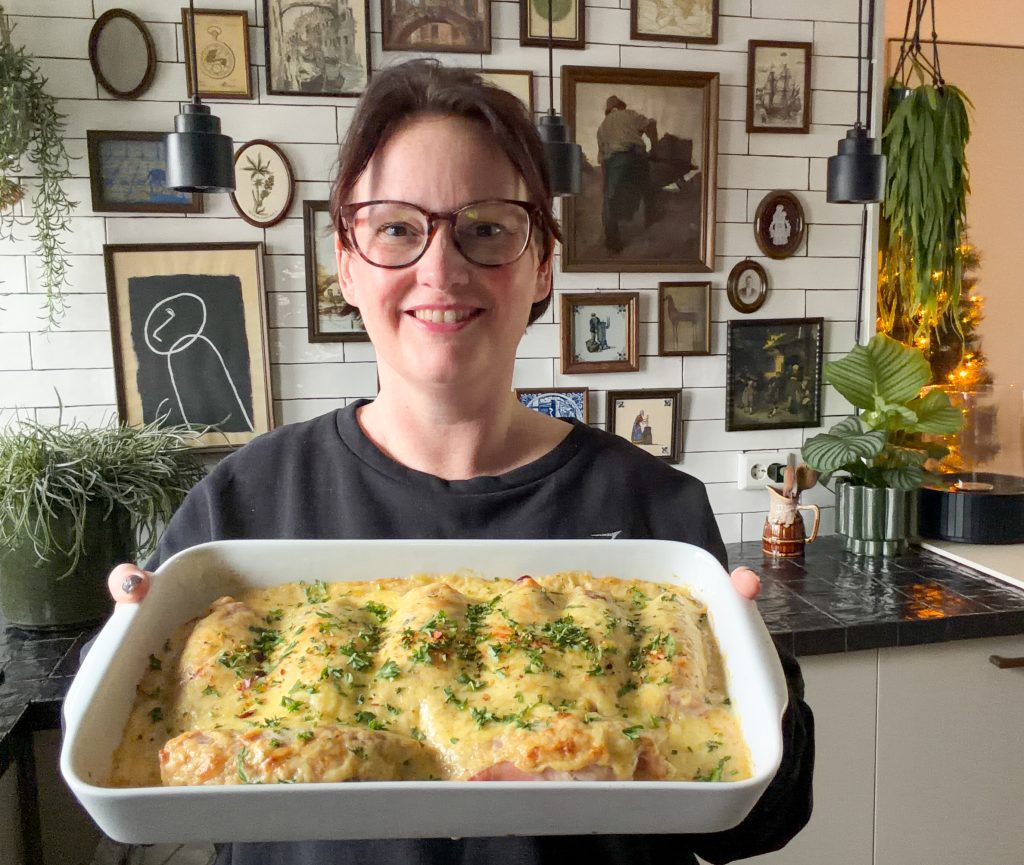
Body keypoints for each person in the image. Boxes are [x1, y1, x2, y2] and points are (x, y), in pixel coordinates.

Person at [104, 60, 813, 865]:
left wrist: (755, 662)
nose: (441, 268)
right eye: (398, 228)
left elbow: (761, 817)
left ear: (542, 261)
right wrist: (129, 642)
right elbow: (141, 786)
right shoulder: (238, 510)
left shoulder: (658, 514)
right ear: (346, 258)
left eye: (486, 227)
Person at [596, 95, 659, 253]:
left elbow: (602, 159)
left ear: (608, 110)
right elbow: (651, 124)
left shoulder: (602, 127)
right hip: (636, 159)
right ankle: (652, 227)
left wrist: (605, 183)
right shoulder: (629, 115)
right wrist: (655, 145)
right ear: (620, 106)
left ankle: (613, 242)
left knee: (609, 201)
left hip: (614, 163)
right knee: (648, 191)